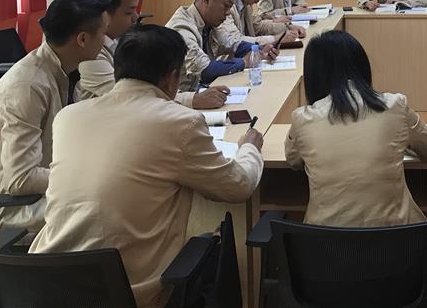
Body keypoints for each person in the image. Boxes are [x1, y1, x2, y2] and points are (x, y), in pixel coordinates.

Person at [30, 25, 264, 308]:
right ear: (173, 77)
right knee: (214, 245)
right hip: (125, 294)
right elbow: (238, 186)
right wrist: (250, 148)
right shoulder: (180, 122)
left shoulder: (69, 117)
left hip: (45, 285)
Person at [285, 31, 427, 232]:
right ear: (362, 66)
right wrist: (403, 142)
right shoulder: (394, 105)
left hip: (326, 247)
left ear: (313, 76)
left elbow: (293, 161)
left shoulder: (302, 118)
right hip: (396, 244)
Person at [0, 0, 110, 232]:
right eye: (103, 33)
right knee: (112, 202)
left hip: (45, 190)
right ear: (82, 39)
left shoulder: (65, 71)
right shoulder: (28, 87)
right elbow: (21, 179)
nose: (106, 41)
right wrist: (81, 174)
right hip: (13, 208)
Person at [166, 0, 275, 109]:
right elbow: (205, 70)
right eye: (226, 6)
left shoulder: (209, 23)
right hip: (179, 103)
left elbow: (233, 44)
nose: (228, 13)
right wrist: (244, 62)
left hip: (201, 94)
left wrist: (260, 50)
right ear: (207, 0)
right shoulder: (181, 28)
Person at [78, 0, 141, 98]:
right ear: (104, 14)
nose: (136, 17)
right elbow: (129, 95)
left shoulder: (119, 39)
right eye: (129, 12)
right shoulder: (91, 53)